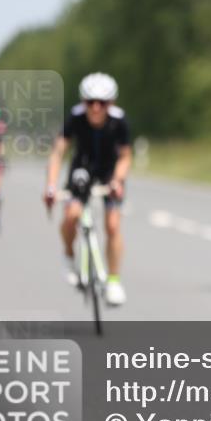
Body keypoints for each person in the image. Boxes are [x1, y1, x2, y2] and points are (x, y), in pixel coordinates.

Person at [43, 73, 132, 306]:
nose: (95, 108)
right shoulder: (75, 117)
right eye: (90, 102)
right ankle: (68, 254)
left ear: (110, 104)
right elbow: (58, 153)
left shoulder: (119, 121)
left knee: (112, 225)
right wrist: (51, 186)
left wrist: (117, 181)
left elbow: (125, 157)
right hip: (81, 170)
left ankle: (113, 281)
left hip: (109, 174)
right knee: (71, 215)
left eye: (101, 103)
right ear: (83, 101)